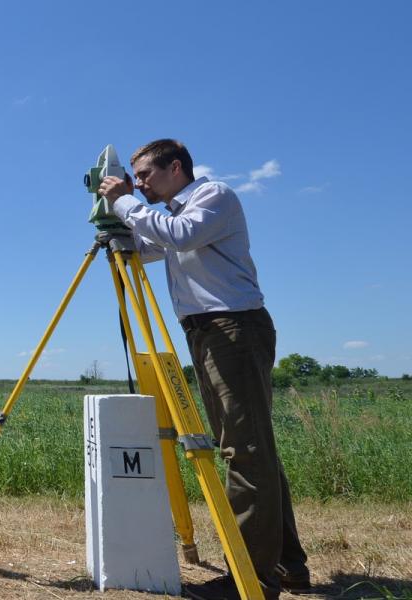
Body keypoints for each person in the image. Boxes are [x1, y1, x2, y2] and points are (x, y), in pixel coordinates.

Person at [96, 139, 309, 600]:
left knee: (245, 452)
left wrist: (123, 200)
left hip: (233, 326)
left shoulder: (213, 198)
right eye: (135, 177)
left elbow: (178, 234)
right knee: (251, 450)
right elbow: (148, 244)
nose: (140, 184)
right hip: (207, 331)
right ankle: (289, 566)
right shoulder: (170, 214)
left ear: (177, 167)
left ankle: (253, 580)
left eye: (146, 175)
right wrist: (112, 222)